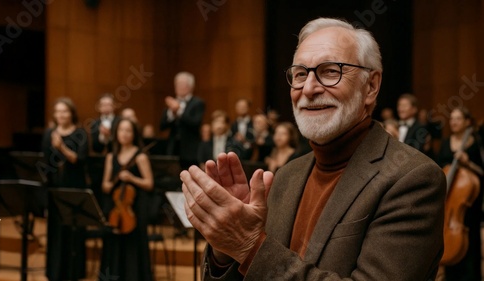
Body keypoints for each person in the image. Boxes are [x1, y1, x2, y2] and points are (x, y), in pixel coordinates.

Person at [180, 17, 446, 280]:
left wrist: (249, 246)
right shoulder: (286, 176)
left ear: (371, 86)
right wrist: (226, 245)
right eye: (299, 74)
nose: (308, 89)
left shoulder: (412, 178)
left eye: (331, 71)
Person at [99, 118, 154, 280]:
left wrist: (131, 178)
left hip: (134, 208)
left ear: (134, 134)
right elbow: (105, 185)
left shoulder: (140, 156)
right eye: (121, 130)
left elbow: (149, 184)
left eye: (128, 130)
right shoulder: (111, 156)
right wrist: (108, 186)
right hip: (115, 206)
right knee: (113, 243)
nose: (124, 134)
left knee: (132, 245)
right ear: (116, 133)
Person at [41, 97, 88, 281]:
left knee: (73, 231)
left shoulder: (80, 134)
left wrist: (61, 147)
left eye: (65, 111)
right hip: (55, 188)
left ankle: (73, 273)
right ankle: (54, 272)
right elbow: (45, 162)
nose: (61, 115)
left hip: (74, 187)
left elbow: (80, 160)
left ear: (72, 113)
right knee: (56, 230)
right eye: (58, 111)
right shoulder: (49, 134)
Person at [436, 107, 483, 281]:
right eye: (452, 119)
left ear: (467, 122)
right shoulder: (446, 142)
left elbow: (482, 171)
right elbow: (439, 168)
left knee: (471, 248)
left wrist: (468, 163)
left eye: (458, 119)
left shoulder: (475, 142)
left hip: (469, 203)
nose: (453, 122)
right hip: (451, 200)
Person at [160, 71, 205, 169]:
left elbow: (195, 123)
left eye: (181, 84)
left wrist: (179, 111)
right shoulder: (172, 103)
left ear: (190, 86)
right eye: (176, 84)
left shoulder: (197, 103)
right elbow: (162, 126)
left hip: (190, 150)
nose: (177, 86)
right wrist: (172, 113)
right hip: (173, 149)